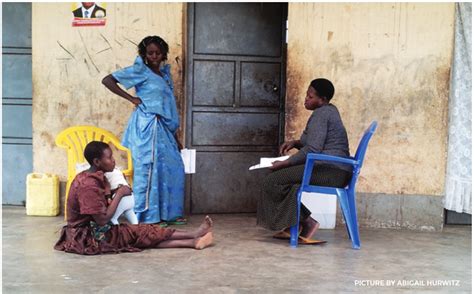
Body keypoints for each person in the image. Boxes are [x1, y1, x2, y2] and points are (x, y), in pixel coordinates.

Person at [54, 141, 213, 255]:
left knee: (141, 235)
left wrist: (112, 191)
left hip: (95, 231)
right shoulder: (88, 184)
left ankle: (193, 241)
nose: (113, 160)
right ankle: (194, 235)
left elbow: (102, 206)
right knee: (142, 232)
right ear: (97, 161)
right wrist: (120, 194)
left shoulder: (95, 176)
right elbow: (102, 220)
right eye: (109, 158)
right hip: (88, 237)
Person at [102, 36, 186, 225]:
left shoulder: (164, 74)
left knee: (172, 168)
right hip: (147, 126)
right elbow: (107, 81)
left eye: (158, 52)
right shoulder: (140, 71)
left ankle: (168, 214)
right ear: (144, 54)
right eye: (150, 53)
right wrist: (131, 99)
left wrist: (176, 138)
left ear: (164, 54)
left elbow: (167, 106)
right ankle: (147, 217)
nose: (154, 56)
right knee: (148, 171)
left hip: (164, 128)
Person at [256, 78, 352, 244]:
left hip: (330, 172)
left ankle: (307, 222)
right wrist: (296, 143)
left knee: (272, 181)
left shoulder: (322, 114)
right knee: (286, 182)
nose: (306, 99)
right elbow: (315, 142)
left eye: (310, 97)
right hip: (335, 170)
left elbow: (313, 150)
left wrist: (286, 162)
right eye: (306, 95)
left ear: (322, 100)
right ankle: (298, 224)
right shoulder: (328, 111)